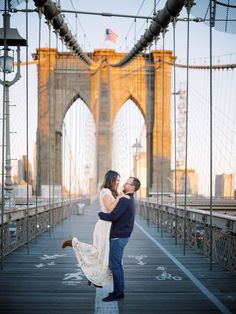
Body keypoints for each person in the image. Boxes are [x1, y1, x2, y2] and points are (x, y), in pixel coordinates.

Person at [62, 170, 129, 288]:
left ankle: (95, 278)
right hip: (104, 226)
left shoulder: (112, 192)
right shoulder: (105, 191)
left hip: (110, 227)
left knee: (105, 254)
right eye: (117, 180)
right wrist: (120, 198)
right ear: (111, 179)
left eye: (119, 180)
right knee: (97, 252)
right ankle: (73, 243)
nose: (118, 182)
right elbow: (109, 209)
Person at [98, 176, 141, 302]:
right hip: (123, 236)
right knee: (117, 265)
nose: (124, 184)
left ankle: (118, 293)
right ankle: (119, 290)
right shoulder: (130, 199)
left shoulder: (125, 200)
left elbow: (113, 216)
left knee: (115, 265)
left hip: (118, 237)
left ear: (132, 187)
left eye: (127, 183)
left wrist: (100, 214)